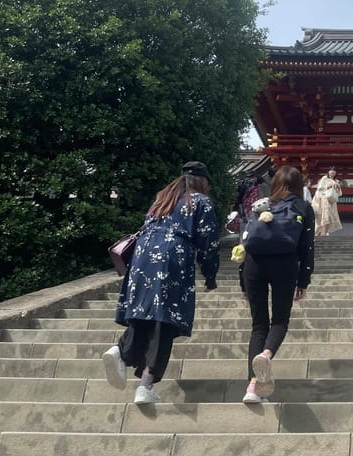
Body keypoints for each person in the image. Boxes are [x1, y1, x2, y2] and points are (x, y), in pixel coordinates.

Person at [103, 161, 219, 405]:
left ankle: (121, 351)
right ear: (202, 181)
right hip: (172, 256)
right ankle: (145, 385)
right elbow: (208, 242)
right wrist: (210, 276)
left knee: (144, 310)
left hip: (143, 254)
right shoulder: (200, 202)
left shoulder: (162, 200)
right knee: (164, 320)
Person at [241, 165, 315, 403]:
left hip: (254, 265)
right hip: (285, 264)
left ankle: (252, 387)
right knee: (280, 320)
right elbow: (307, 247)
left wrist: (243, 282)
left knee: (258, 325)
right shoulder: (303, 207)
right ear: (298, 186)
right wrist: (304, 279)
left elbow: (245, 242)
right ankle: (266, 354)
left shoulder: (260, 204)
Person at [312, 166, 342, 236]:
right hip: (325, 198)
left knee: (331, 216)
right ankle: (323, 233)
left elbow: (339, 193)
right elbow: (319, 188)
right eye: (331, 171)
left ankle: (325, 232)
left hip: (332, 201)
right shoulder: (324, 178)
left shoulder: (337, 181)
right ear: (328, 172)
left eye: (334, 172)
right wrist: (329, 186)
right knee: (325, 215)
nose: (332, 173)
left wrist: (338, 187)